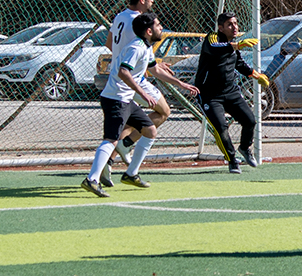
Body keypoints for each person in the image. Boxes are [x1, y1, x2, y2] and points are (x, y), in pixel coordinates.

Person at [82, 12, 197, 195]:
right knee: (111, 139)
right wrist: (143, 93)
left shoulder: (146, 47)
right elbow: (123, 72)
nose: (161, 28)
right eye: (158, 25)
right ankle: (91, 179)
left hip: (125, 99)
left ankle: (130, 174)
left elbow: (155, 70)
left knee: (150, 130)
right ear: (149, 31)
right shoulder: (136, 48)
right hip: (115, 98)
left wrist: (181, 84)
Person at [197, 11, 268, 173]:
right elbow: (215, 49)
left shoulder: (232, 45)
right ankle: (231, 159)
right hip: (210, 95)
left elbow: (239, 64)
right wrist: (238, 45)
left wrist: (256, 75)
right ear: (221, 28)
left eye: (235, 23)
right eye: (230, 24)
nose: (234, 27)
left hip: (231, 92)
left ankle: (244, 148)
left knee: (250, 121)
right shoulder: (212, 38)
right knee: (221, 127)